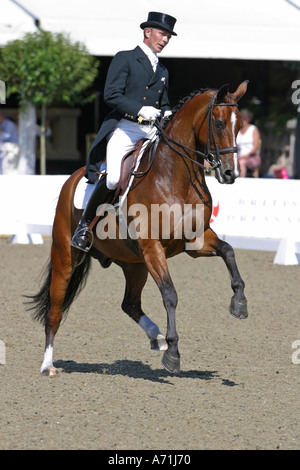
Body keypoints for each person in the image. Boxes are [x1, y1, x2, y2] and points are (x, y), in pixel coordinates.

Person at [71, 11, 177, 251]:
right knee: (113, 179)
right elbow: (112, 94)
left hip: (152, 132)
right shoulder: (125, 58)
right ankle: (84, 227)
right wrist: (140, 109)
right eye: (162, 34)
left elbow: (165, 102)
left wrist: (168, 112)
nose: (165, 40)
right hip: (127, 128)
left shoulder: (163, 70)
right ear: (148, 32)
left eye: (169, 36)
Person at [237, 109, 261, 177]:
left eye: (245, 118)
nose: (243, 120)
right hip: (239, 156)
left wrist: (246, 156)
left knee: (241, 163)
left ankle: (241, 181)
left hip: (251, 157)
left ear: (249, 119)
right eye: (241, 118)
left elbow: (256, 146)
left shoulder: (253, 129)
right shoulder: (238, 130)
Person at [0, 108, 19, 174]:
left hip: (10, 152)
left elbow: (4, 137)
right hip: (3, 152)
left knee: (8, 173)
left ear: (3, 115)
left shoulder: (9, 124)